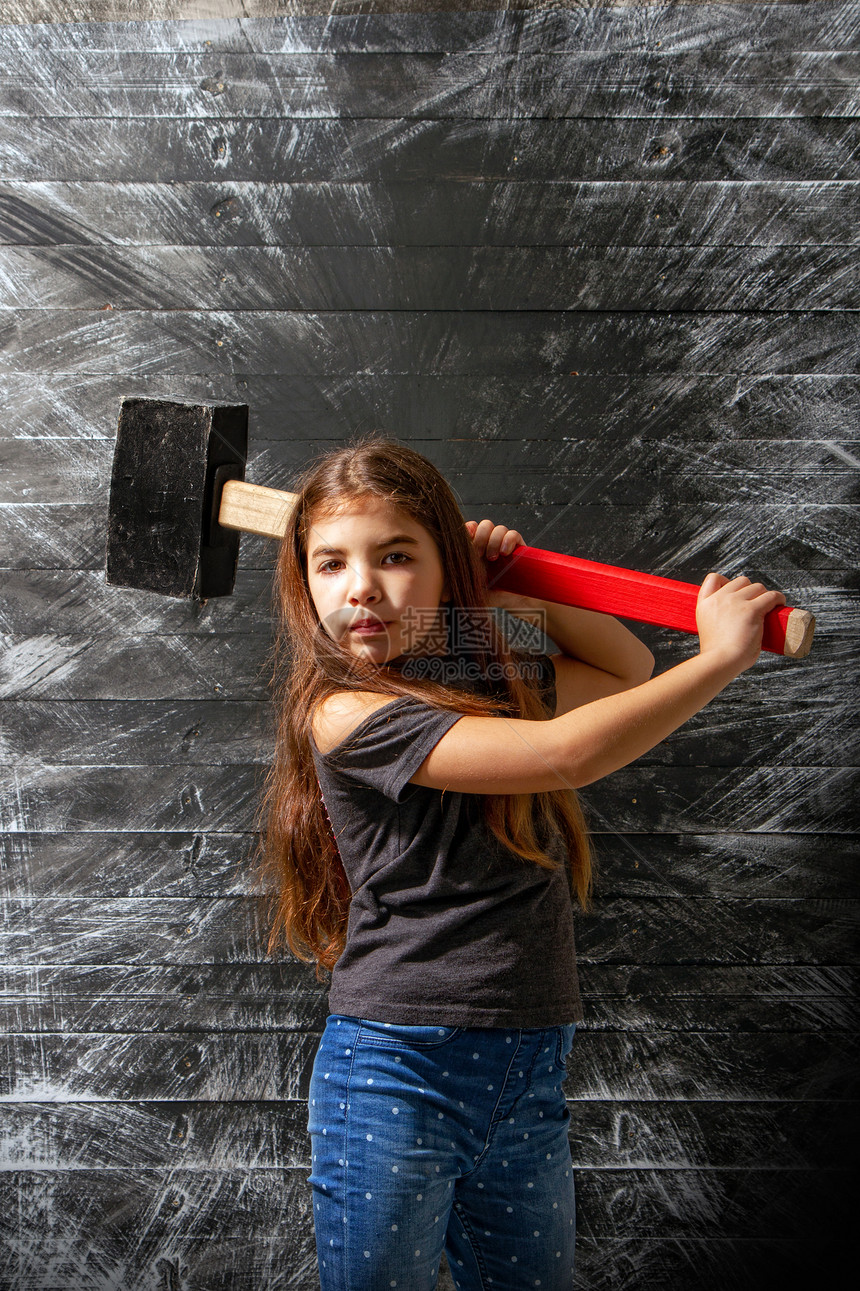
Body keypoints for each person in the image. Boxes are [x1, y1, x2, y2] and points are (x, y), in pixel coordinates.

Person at [256, 435, 786, 1291]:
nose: (361, 587)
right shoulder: (346, 713)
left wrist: (518, 580)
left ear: (444, 567)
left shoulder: (478, 671)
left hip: (526, 1063)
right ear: (304, 582)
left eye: (396, 556)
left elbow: (624, 668)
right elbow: (565, 754)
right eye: (329, 564)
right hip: (399, 1069)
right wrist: (721, 657)